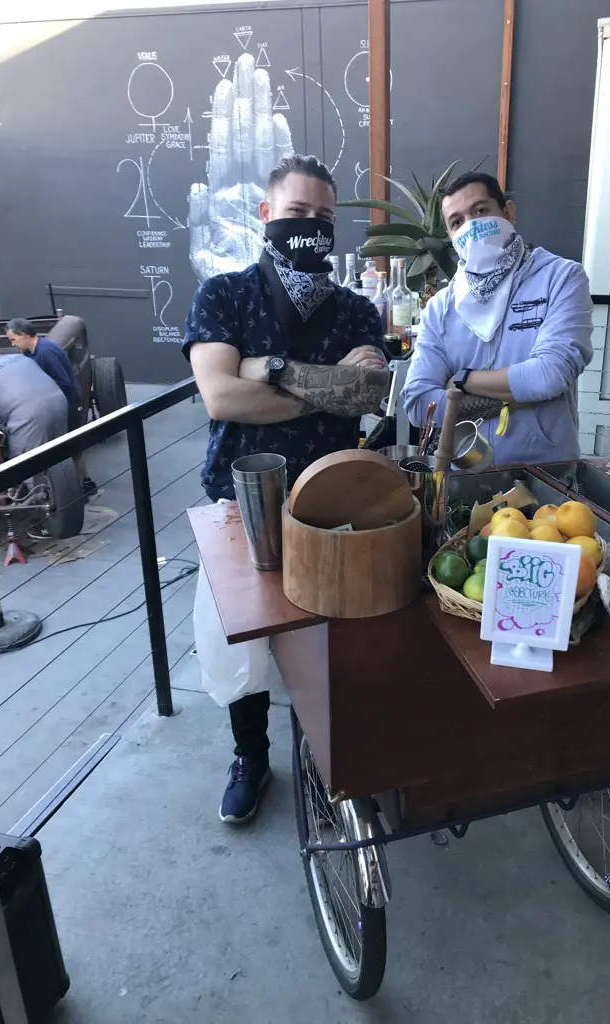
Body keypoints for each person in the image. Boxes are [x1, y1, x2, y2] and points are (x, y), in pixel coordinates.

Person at [183, 154, 389, 825]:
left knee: (324, 647)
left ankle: (321, 759)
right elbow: (220, 396)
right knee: (239, 644)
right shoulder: (224, 296)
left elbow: (367, 391)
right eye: (298, 214)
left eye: (324, 219)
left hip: (333, 502)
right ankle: (250, 758)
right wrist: (323, 391)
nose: (311, 228)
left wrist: (267, 369)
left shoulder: (357, 309)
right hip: (240, 504)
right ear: (267, 215)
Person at [402, 172, 593, 463]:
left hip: (545, 476)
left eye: (480, 211)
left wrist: (463, 380)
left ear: (508, 212)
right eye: (457, 222)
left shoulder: (561, 278)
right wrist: (514, 393)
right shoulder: (441, 307)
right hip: (465, 477)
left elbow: (550, 375)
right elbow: (418, 403)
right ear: (451, 237)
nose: (472, 226)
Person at [6, 318, 97, 497]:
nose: (12, 344)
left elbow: (63, 382)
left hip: (67, 405)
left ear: (23, 335)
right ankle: (83, 483)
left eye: (13, 340)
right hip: (61, 403)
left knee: (72, 447)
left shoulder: (46, 352)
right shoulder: (32, 352)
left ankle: (82, 487)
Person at [0, 352, 67, 460]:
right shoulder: (17, 357)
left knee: (26, 465)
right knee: (60, 455)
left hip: (30, 414)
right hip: (58, 399)